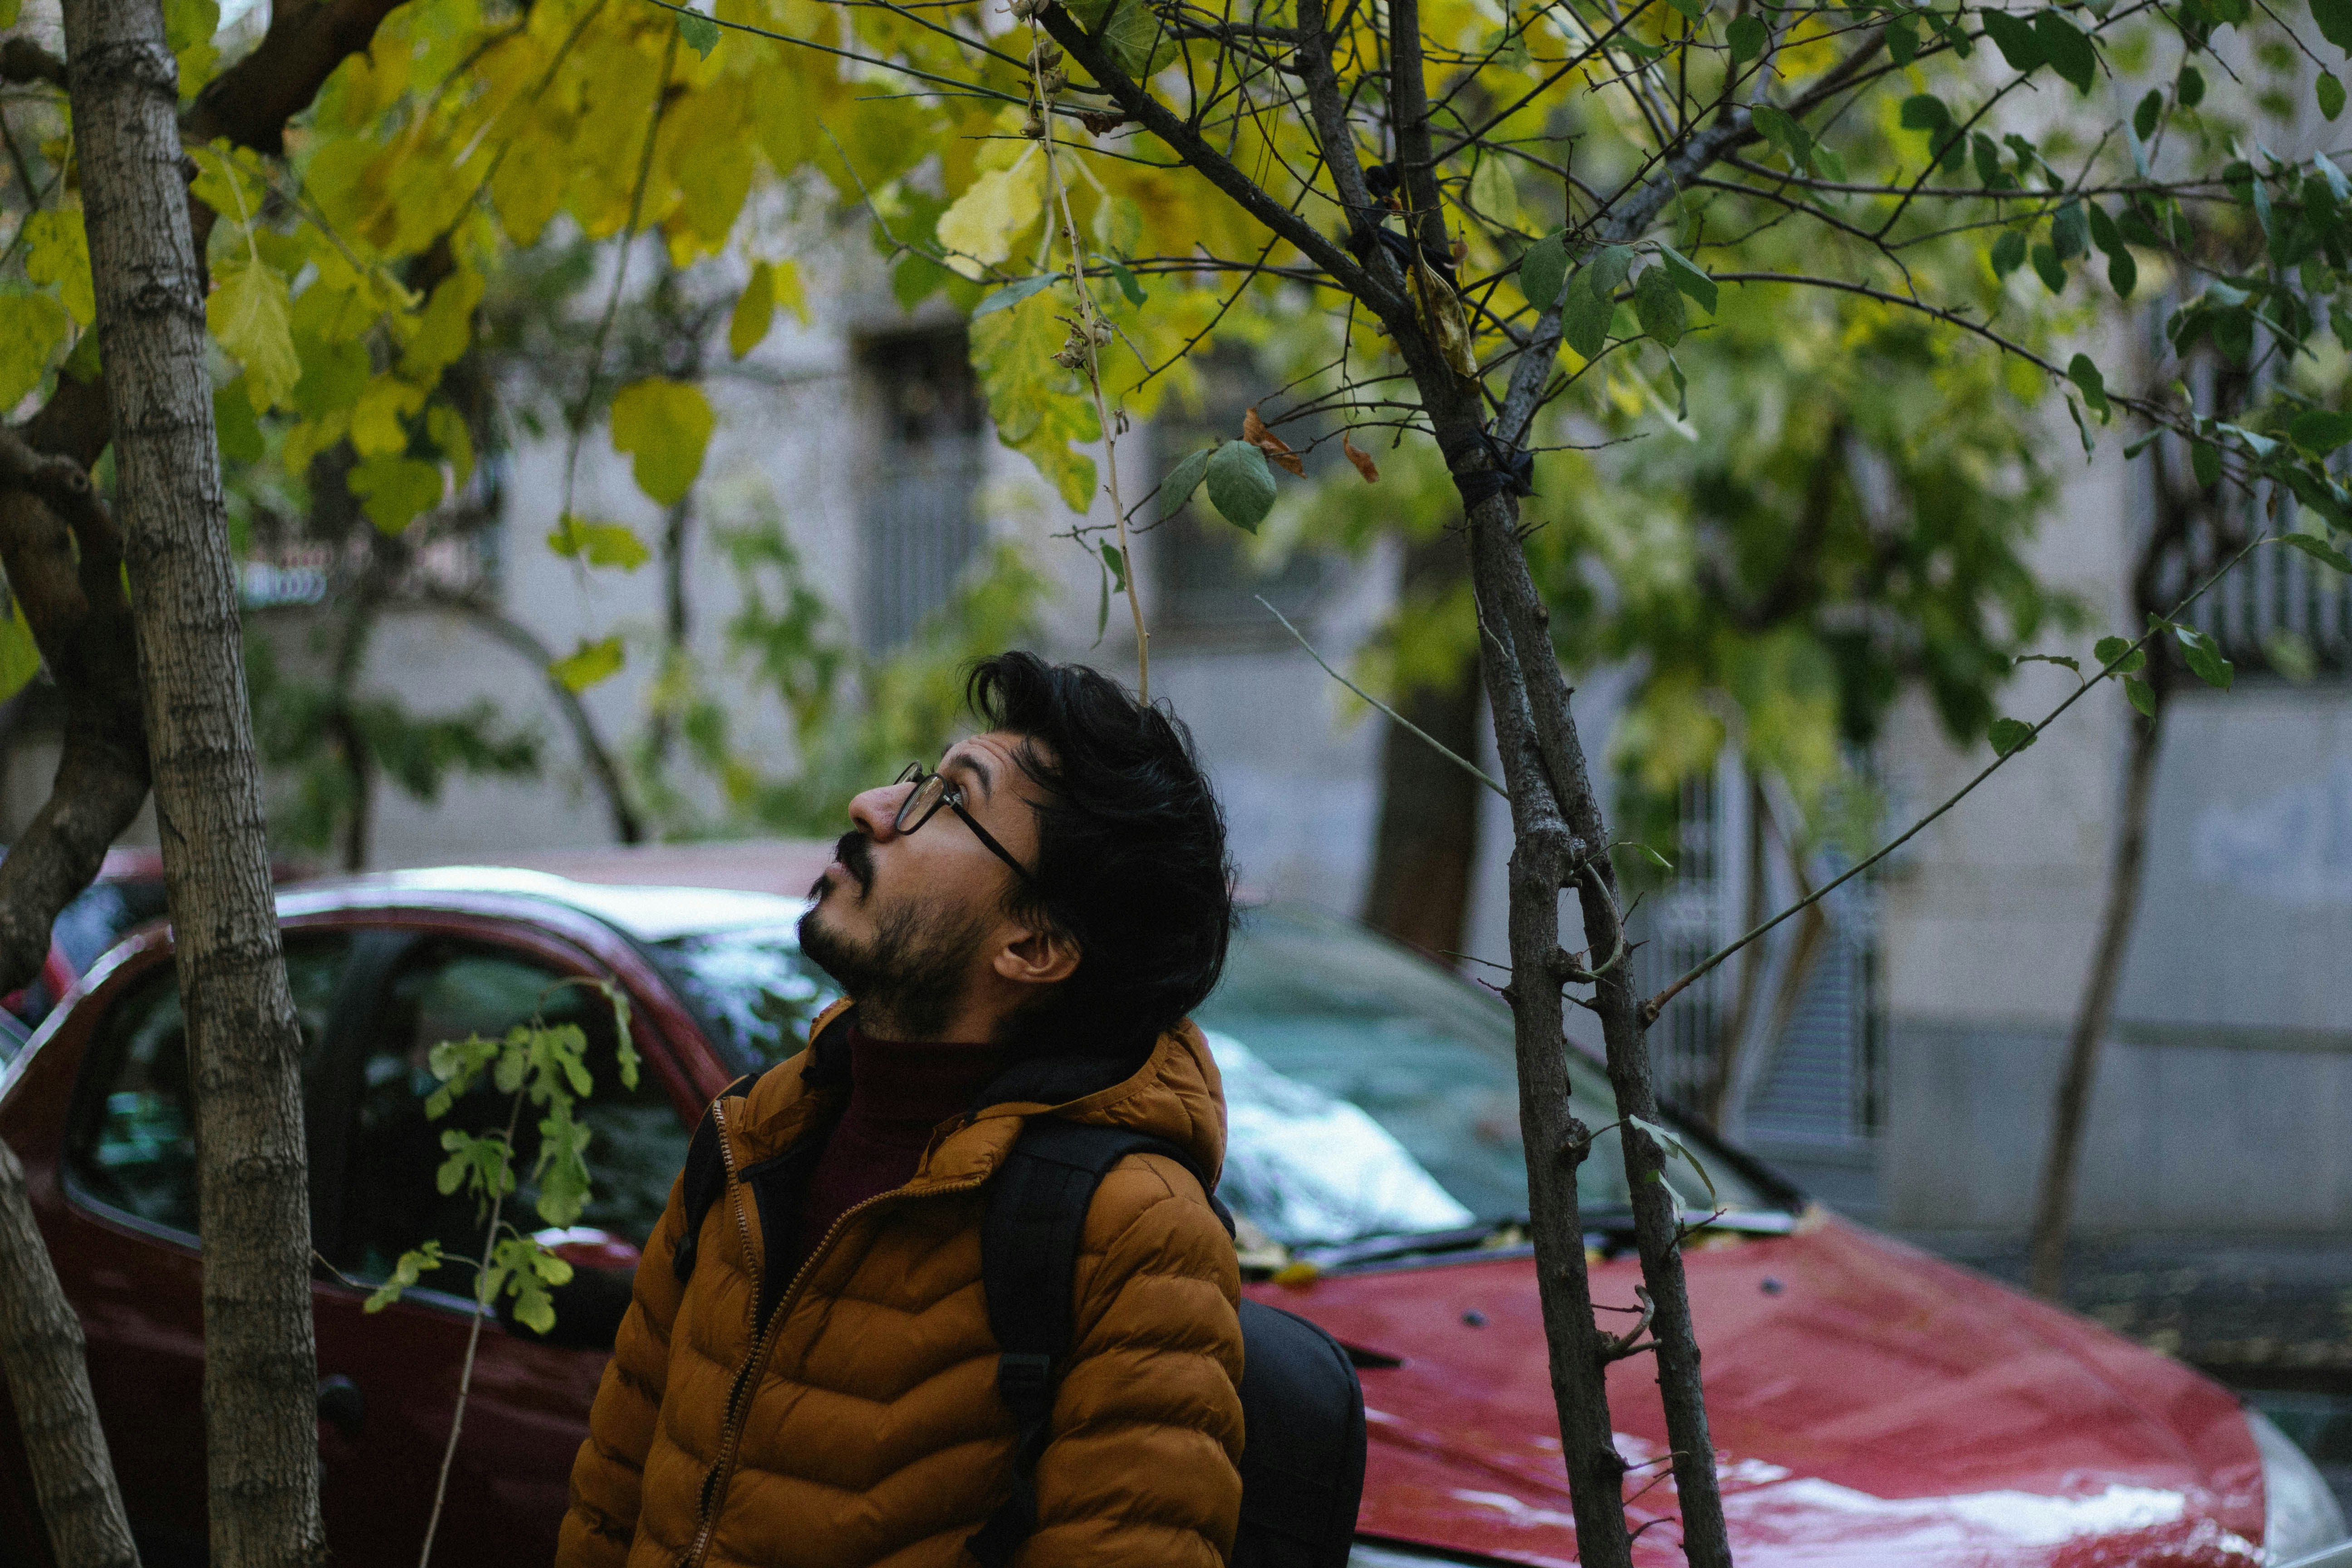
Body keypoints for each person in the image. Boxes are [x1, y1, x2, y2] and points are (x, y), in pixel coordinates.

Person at [556, 652, 1245, 1568]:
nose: (874, 807)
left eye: (950, 803)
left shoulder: (1135, 1234)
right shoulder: (753, 1134)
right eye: (922, 780)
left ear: (1034, 947)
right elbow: (611, 1502)